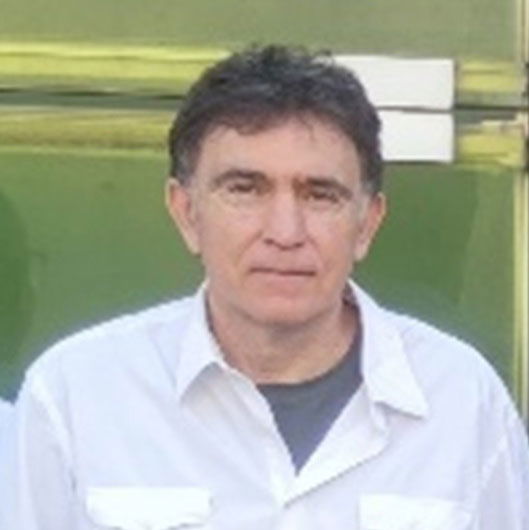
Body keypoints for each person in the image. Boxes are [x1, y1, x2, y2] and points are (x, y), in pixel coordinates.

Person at [2, 45, 528, 530]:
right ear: (186, 213)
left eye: (320, 195)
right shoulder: (77, 397)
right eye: (245, 190)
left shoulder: (463, 402)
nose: (285, 232)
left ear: (367, 224)